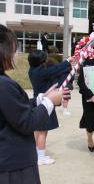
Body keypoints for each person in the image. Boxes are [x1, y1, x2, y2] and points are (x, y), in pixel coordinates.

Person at [0, 24, 71, 184]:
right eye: (14, 48)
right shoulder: (4, 84)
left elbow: (13, 107)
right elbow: (27, 122)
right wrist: (49, 101)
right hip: (13, 165)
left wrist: (39, 99)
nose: (17, 53)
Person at [28, 50, 73, 165]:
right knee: (43, 132)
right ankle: (41, 158)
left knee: (38, 131)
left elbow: (52, 70)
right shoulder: (41, 72)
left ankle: (36, 153)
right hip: (45, 101)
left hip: (38, 100)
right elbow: (55, 70)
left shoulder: (32, 70)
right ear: (41, 61)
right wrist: (67, 61)